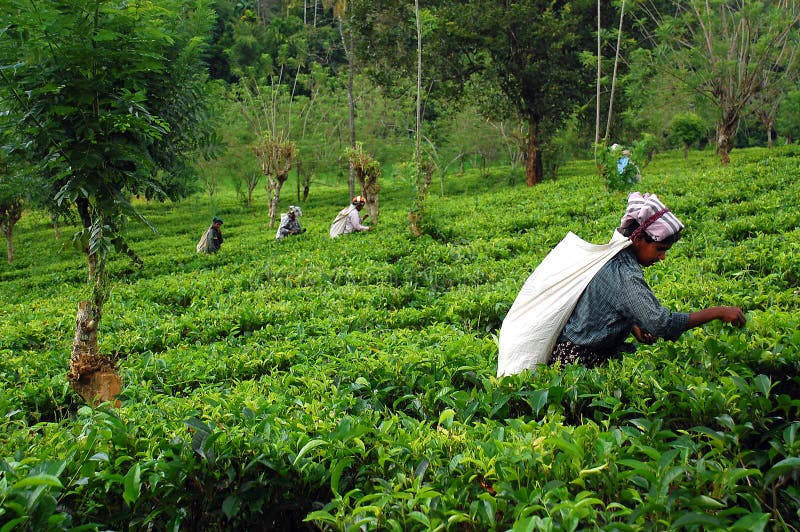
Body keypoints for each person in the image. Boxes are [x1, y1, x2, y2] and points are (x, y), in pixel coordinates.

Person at [549, 191, 746, 368]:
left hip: (581, 351)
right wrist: (718, 312)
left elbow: (605, 303)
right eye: (660, 250)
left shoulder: (613, 256)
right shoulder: (624, 272)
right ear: (638, 240)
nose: (662, 258)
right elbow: (661, 324)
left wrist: (633, 326)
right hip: (578, 362)